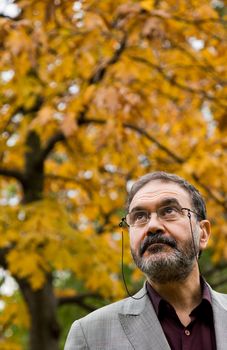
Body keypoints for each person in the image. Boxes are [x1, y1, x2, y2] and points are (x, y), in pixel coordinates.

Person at [64, 171, 227, 350]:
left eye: (169, 211)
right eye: (140, 216)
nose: (152, 226)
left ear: (203, 233)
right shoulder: (90, 334)